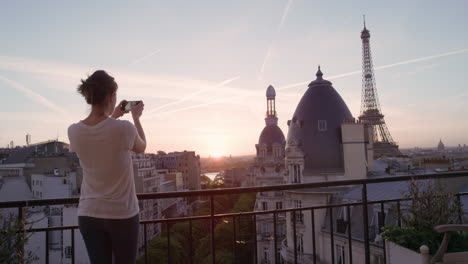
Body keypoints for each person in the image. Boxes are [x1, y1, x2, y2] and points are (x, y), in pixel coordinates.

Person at [67, 70, 146, 264]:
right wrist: (135, 117)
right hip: (122, 214)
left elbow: (101, 132)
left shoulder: (74, 131)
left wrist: (115, 115)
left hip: (88, 214)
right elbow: (141, 147)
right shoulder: (125, 129)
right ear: (111, 96)